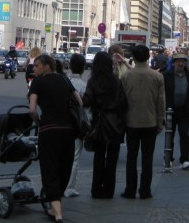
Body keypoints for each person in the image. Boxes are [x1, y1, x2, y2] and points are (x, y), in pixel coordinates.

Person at [28, 54, 79, 223]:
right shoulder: (65, 80)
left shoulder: (37, 83)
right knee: (64, 167)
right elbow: (79, 101)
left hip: (48, 130)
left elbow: (32, 110)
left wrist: (38, 122)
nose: (33, 69)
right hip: (67, 130)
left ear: (46, 67)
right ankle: (55, 204)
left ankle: (57, 214)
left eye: (36, 66)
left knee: (50, 169)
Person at [120, 44, 165, 199]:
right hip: (150, 122)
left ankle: (130, 190)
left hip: (131, 122)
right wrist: (160, 121)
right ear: (148, 57)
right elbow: (161, 102)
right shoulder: (157, 77)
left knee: (131, 157)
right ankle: (145, 190)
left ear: (134, 57)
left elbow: (122, 101)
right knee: (147, 158)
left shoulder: (126, 76)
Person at [83, 52, 127, 199]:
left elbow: (87, 101)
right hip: (115, 122)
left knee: (99, 156)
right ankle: (109, 190)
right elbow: (124, 103)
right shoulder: (116, 81)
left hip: (99, 122)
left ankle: (96, 189)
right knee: (113, 158)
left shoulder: (93, 81)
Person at [163, 53, 189, 170]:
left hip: (184, 110)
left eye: (182, 61)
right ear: (173, 63)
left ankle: (185, 159)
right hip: (170, 111)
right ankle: (169, 158)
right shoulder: (166, 76)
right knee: (169, 135)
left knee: (184, 135)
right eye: (178, 61)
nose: (180, 63)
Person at [64, 53, 87, 198]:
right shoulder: (84, 86)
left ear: (70, 66)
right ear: (83, 68)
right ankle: (69, 187)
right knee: (74, 157)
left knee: (61, 155)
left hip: (61, 122)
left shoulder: (63, 81)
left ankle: (59, 183)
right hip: (77, 125)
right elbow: (85, 107)